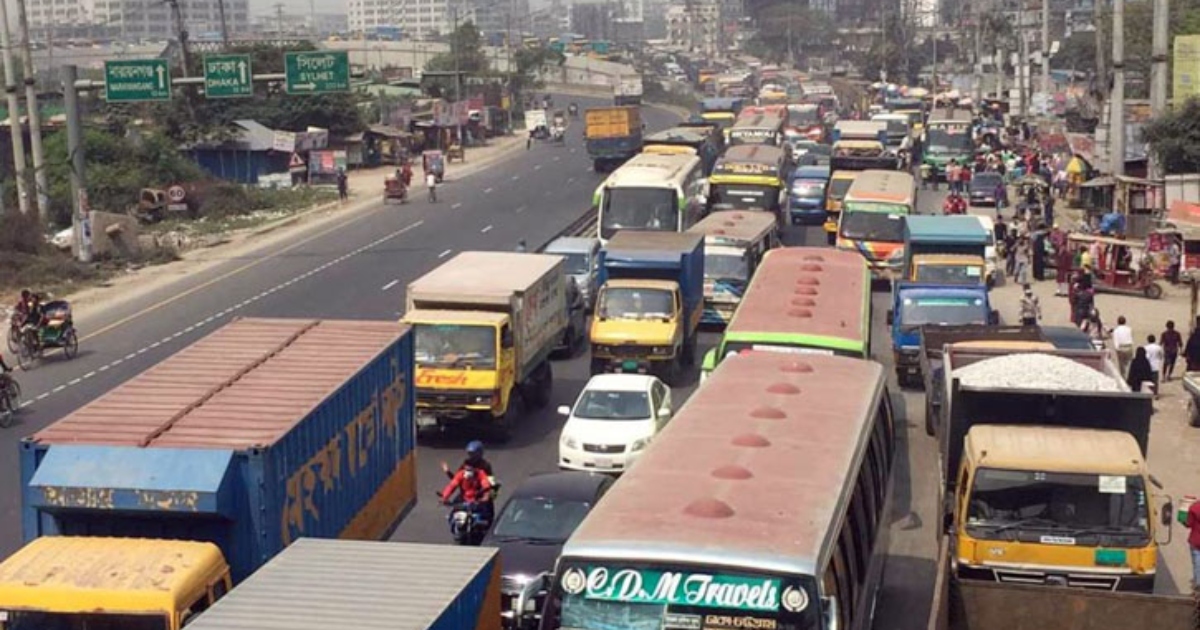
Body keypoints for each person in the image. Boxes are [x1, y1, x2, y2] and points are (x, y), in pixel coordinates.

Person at [1185, 496, 1200, 592]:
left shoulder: (1194, 507)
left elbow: (1188, 523)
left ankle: (1198, 586)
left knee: (1197, 564)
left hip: (1196, 541)